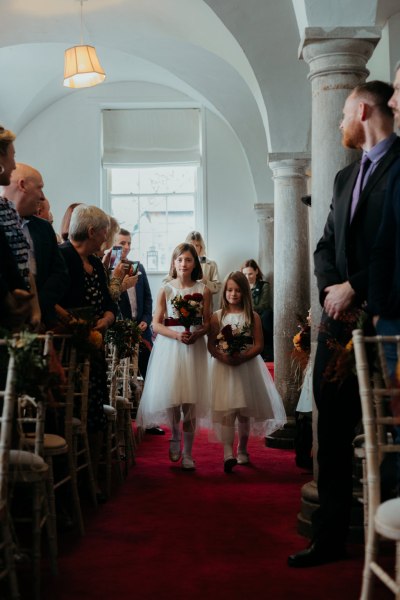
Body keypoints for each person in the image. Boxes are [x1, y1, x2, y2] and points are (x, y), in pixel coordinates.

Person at [288, 80, 400, 568]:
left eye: (341, 114)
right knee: (330, 436)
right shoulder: (342, 177)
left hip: (386, 321)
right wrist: (335, 295)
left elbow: (395, 244)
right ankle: (329, 539)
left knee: (390, 435)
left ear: (362, 108)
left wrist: (358, 288)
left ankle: (389, 539)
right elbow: (323, 247)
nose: (337, 124)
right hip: (338, 329)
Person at [58, 204, 117, 499]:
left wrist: (105, 320)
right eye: (105, 231)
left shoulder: (96, 265)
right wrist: (77, 326)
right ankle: (72, 483)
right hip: (68, 349)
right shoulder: (63, 256)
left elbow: (110, 304)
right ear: (92, 231)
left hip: (94, 346)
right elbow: (50, 301)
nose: (108, 237)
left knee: (94, 410)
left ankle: (91, 476)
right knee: (70, 412)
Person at [136, 242, 211, 470]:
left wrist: (197, 334)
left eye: (188, 260)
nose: (184, 264)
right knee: (173, 396)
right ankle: (175, 434)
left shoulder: (203, 289)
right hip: (171, 345)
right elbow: (156, 325)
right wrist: (177, 336)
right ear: (173, 263)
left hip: (193, 346)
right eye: (180, 260)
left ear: (194, 263)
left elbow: (208, 321)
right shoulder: (166, 289)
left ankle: (188, 453)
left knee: (190, 399)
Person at [207, 271, 286, 473]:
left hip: (246, 367)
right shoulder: (217, 317)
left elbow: (259, 345)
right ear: (224, 291)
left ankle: (242, 449)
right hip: (224, 368)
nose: (233, 294)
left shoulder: (253, 316)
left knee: (243, 413)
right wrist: (224, 357)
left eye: (238, 290)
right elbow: (212, 346)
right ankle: (227, 453)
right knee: (226, 412)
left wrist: (243, 357)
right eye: (230, 290)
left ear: (245, 293)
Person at [3, 164, 69, 328]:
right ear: (22, 185)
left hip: (44, 321)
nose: (42, 196)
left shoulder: (44, 228)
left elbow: (60, 273)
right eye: (39, 188)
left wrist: (36, 305)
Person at [0, 127, 40, 328]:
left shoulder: (7, 208)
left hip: (18, 310)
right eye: (12, 156)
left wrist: (35, 309)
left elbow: (21, 262)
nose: (14, 164)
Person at [241, 258, 273, 360]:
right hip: (245, 314)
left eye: (250, 274)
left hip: (261, 315)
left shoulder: (264, 286)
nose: (247, 277)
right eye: (245, 274)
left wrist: (248, 308)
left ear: (256, 271)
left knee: (267, 315)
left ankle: (267, 353)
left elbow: (264, 304)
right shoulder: (240, 288)